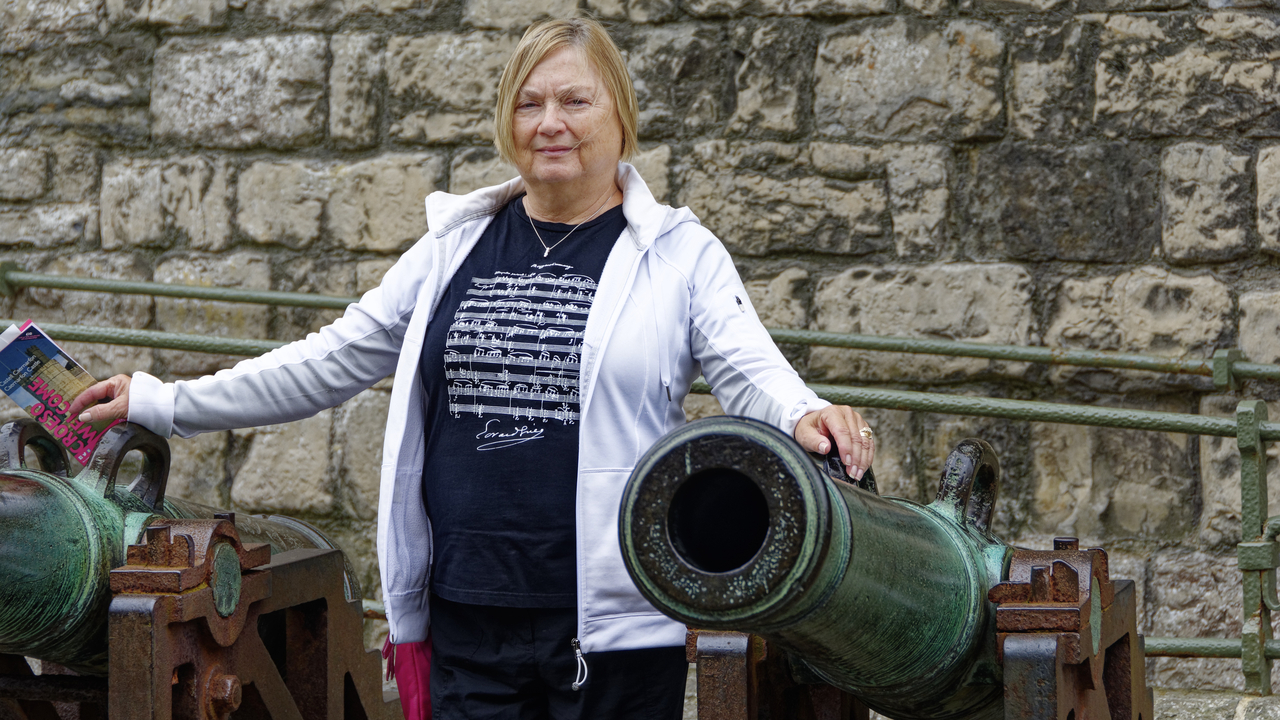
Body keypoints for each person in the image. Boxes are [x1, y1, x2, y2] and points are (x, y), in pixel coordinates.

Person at [69, 17, 875, 720]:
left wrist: (804, 414)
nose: (550, 122)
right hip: (468, 614)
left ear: (621, 119)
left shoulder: (679, 255)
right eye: (529, 103)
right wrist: (163, 400)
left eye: (575, 101)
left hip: (615, 629)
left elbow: (751, 371)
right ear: (506, 123)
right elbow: (331, 357)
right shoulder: (455, 246)